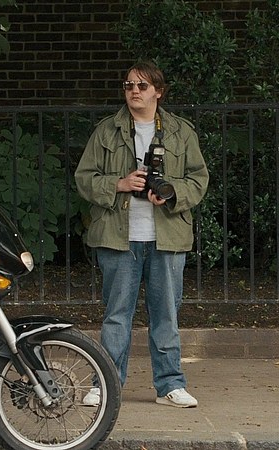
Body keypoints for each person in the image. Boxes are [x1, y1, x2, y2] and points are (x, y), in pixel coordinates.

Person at [74, 60, 209, 408]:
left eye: (142, 85)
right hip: (118, 236)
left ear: (158, 92)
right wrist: (119, 184)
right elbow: (84, 178)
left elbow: (198, 179)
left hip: (167, 236)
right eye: (129, 85)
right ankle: (107, 384)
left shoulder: (180, 132)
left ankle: (170, 385)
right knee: (116, 315)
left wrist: (171, 192)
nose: (134, 91)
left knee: (166, 315)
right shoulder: (107, 130)